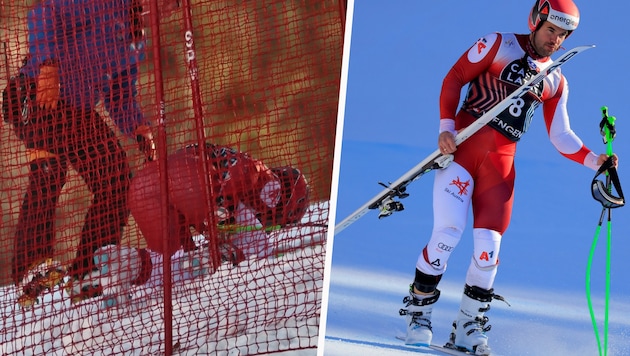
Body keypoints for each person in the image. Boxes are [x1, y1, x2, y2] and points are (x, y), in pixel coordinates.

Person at [399, 1, 618, 355]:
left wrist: (594, 159)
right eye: (551, 31)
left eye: (564, 35)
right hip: (462, 153)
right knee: (447, 234)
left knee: (489, 250)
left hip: (500, 168)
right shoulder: (498, 44)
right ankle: (418, 316)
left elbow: (560, 135)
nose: (556, 40)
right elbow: (455, 78)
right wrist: (445, 128)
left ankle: (469, 325)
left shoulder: (556, 79)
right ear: (535, 21)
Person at [1, 0, 176, 306]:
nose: (170, 9)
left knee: (117, 179)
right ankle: (31, 274)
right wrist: (48, 65)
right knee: (49, 174)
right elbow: (42, 13)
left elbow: (121, 98)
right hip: (35, 92)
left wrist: (140, 128)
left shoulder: (135, 39)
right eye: (170, 2)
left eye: (175, 6)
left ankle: (91, 269)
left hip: (77, 114)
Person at [80, 143, 311, 307]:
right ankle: (215, 257)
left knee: (167, 256)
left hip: (143, 187)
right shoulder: (271, 186)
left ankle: (124, 266)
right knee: (257, 247)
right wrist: (223, 213)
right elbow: (236, 180)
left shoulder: (238, 157)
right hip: (196, 185)